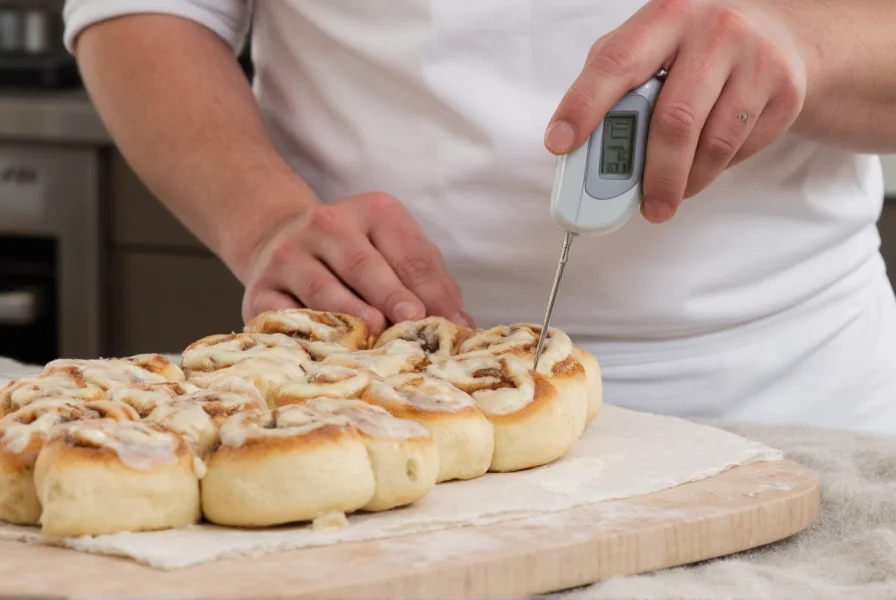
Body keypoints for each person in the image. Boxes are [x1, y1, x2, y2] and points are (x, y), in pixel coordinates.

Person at [62, 0, 896, 432]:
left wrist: (807, 44)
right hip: (362, 388)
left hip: (794, 397)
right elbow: (147, 13)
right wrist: (264, 216)